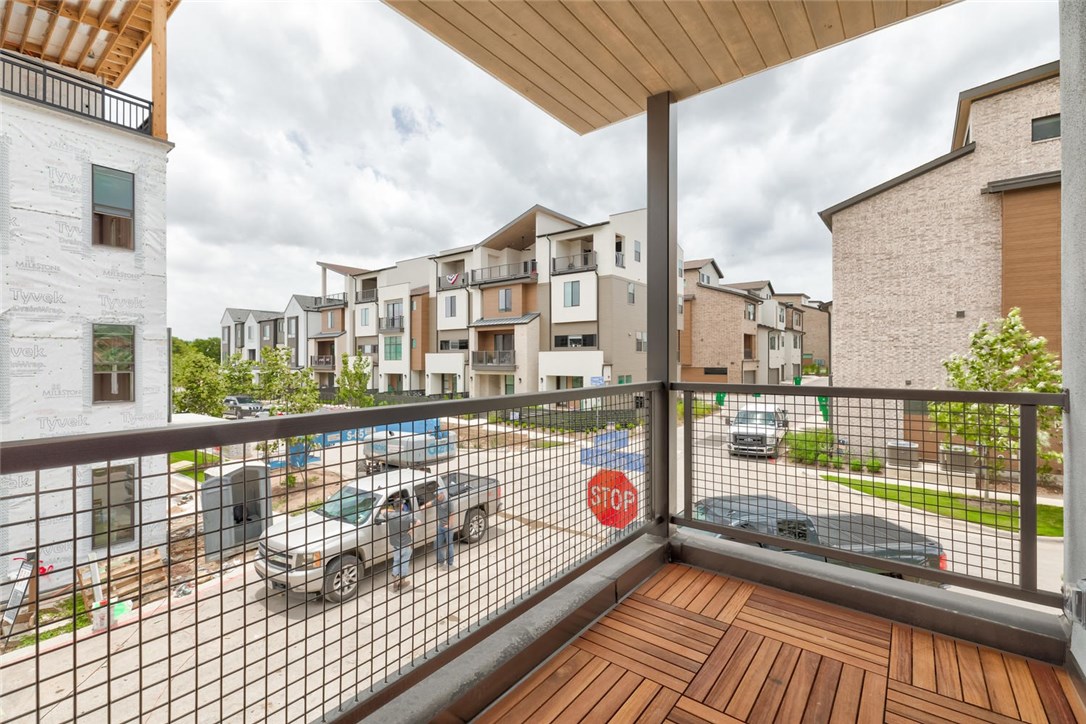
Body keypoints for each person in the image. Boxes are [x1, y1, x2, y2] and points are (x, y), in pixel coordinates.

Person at [385, 497, 420, 591]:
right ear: (401, 506)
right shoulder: (407, 515)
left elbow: (382, 511)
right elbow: (419, 522)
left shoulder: (389, 515)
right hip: (406, 544)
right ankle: (402, 582)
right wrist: (411, 529)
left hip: (395, 544)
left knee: (396, 561)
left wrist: (392, 509)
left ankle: (395, 583)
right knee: (404, 561)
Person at [430, 489, 455, 571]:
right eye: (436, 496)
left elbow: (452, 514)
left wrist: (449, 525)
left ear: (442, 494)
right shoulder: (437, 500)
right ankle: (441, 562)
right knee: (436, 544)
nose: (437, 497)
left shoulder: (448, 502)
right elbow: (430, 503)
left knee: (449, 545)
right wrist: (422, 507)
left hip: (447, 527)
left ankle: (450, 564)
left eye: (438, 495)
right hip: (440, 527)